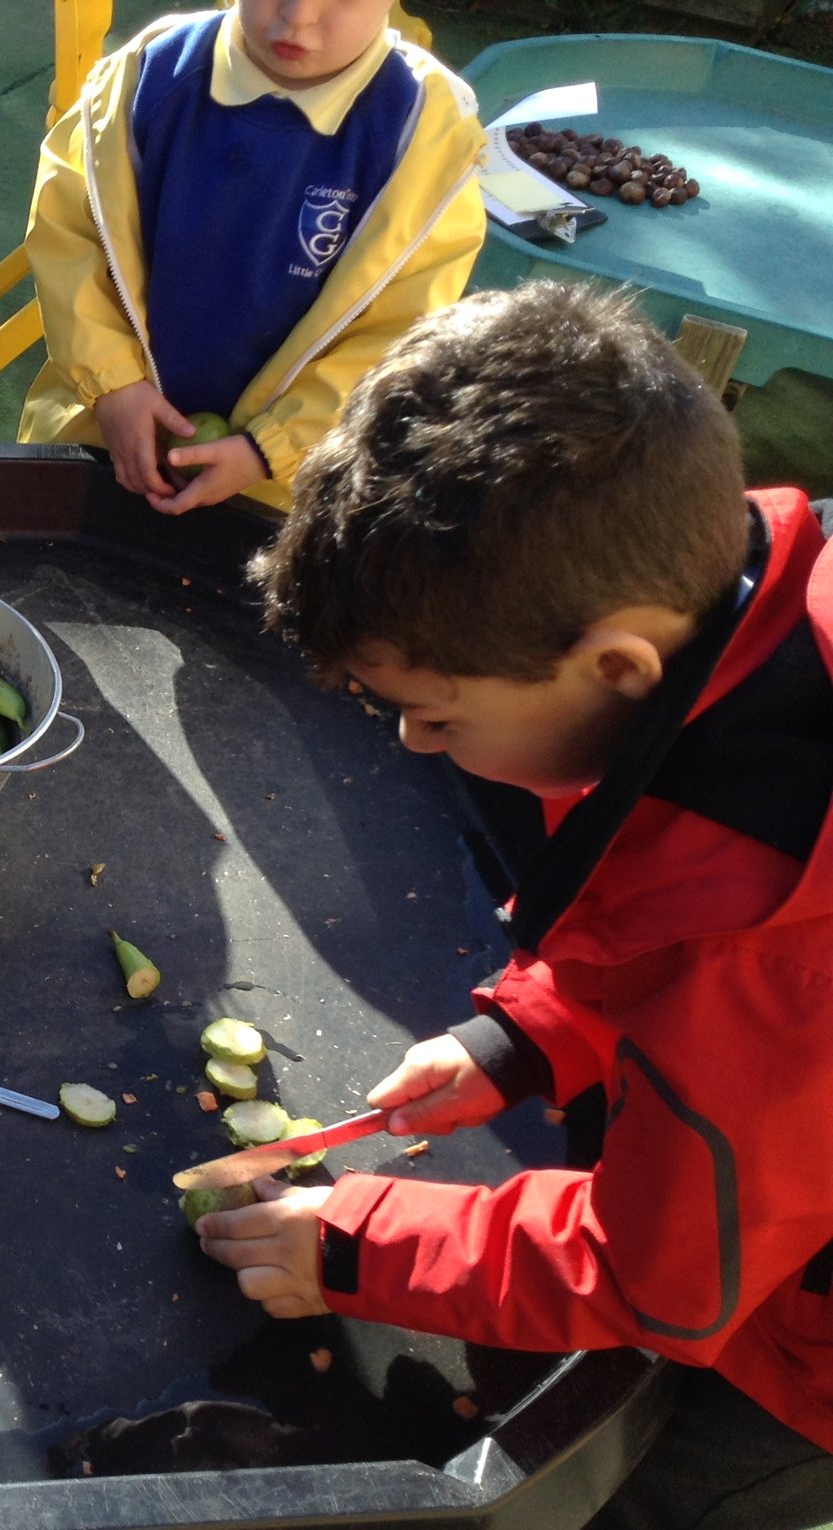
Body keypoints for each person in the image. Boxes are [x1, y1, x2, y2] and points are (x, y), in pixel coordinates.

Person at [205, 282, 833, 1528]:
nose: (414, 742)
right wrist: (527, 1033)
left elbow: (657, 1277)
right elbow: (649, 888)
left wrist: (359, 1243)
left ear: (614, 666)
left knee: (625, 1495)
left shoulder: (764, 960)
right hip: (753, 1173)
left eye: (437, 712)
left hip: (792, 1355)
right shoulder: (726, 624)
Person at [16, 0, 484, 517]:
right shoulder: (148, 74)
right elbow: (69, 239)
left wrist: (273, 447)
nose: (298, 16)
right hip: (102, 436)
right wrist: (111, 386)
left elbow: (400, 337)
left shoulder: (422, 140)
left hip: (286, 490)